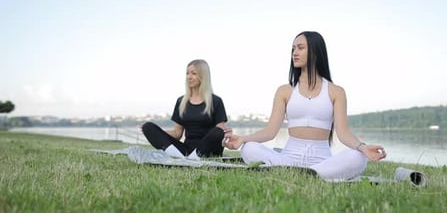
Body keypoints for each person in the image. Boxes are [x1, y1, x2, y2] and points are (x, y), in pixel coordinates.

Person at [225, 31, 387, 180]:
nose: (295, 53)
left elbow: (343, 133)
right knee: (249, 148)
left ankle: (311, 172)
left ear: (315, 52)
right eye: (293, 49)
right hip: (288, 158)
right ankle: (310, 174)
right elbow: (270, 132)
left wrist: (363, 148)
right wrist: (243, 139)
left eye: (300, 48)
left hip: (322, 160)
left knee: (358, 157)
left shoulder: (336, 91)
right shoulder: (284, 91)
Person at [142, 59, 232, 158]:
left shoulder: (216, 101)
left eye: (193, 73)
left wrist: (225, 135)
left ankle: (191, 158)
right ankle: (184, 158)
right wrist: (158, 132)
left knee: (218, 131)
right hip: (187, 149)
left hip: (209, 150)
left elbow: (220, 131)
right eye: (187, 73)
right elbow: (177, 133)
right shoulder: (181, 101)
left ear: (203, 76)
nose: (189, 77)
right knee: (148, 126)